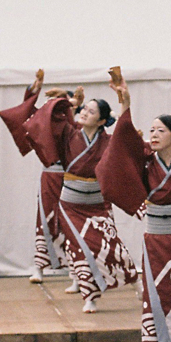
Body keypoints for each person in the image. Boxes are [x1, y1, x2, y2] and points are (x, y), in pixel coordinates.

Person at [98, 71, 171, 342]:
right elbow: (122, 144)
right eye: (151, 130)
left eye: (160, 130)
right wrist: (125, 102)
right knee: (156, 294)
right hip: (156, 239)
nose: (153, 135)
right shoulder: (144, 161)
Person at [24, 75, 138, 313]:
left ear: (103, 120)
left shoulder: (108, 141)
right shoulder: (68, 133)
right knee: (80, 248)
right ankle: (90, 296)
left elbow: (126, 129)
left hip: (98, 203)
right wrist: (70, 103)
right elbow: (46, 118)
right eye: (85, 109)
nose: (85, 112)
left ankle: (134, 279)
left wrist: (125, 100)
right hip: (71, 204)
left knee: (110, 245)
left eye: (92, 111)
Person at [0, 69, 72, 284]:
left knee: (72, 220)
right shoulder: (43, 119)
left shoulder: (73, 124)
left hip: (71, 177)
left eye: (62, 105)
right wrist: (35, 88)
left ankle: (76, 267)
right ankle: (39, 265)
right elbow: (25, 111)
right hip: (50, 175)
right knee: (46, 217)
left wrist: (67, 98)